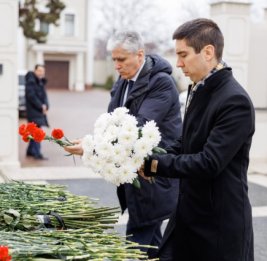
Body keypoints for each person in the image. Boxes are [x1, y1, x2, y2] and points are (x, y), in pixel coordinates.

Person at [139, 18, 255, 261]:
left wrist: (156, 165)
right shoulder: (198, 88)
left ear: (208, 52)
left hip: (218, 226)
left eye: (183, 54)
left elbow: (208, 162)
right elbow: (186, 141)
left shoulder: (235, 101)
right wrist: (149, 156)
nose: (178, 63)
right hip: (188, 216)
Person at [64, 31, 183, 258]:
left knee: (134, 245)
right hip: (134, 175)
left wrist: (91, 148)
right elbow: (111, 123)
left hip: (153, 176)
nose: (116, 65)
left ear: (139, 55)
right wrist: (91, 141)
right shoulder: (123, 82)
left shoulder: (161, 84)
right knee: (152, 244)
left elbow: (138, 127)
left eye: (121, 59)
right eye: (113, 59)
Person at [25, 64, 49, 160]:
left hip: (39, 111)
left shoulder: (40, 82)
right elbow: (31, 96)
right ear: (35, 71)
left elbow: (44, 96)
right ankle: (37, 153)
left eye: (42, 71)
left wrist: (46, 106)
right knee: (37, 133)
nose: (41, 73)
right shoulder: (31, 82)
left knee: (33, 131)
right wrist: (41, 106)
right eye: (39, 70)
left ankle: (30, 151)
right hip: (33, 111)